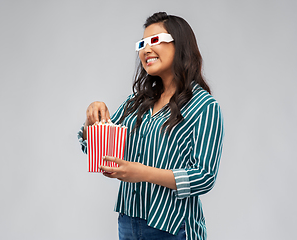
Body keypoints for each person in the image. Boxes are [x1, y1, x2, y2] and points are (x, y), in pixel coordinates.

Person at [78, 12, 224, 240]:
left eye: (155, 40)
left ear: (181, 44)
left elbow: (204, 177)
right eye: (142, 44)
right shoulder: (136, 102)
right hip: (128, 223)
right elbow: (99, 152)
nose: (146, 50)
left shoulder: (204, 106)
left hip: (173, 227)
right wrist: (93, 122)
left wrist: (143, 173)